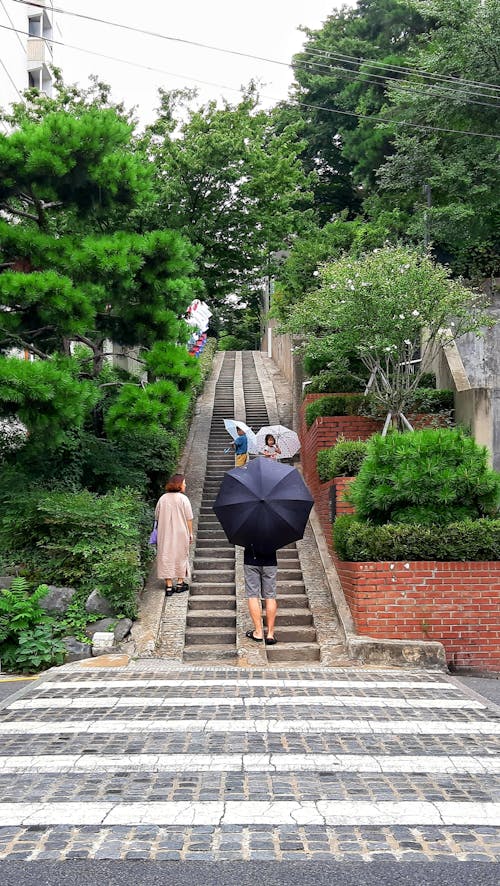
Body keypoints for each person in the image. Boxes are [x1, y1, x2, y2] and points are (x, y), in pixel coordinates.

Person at [155, 473, 193, 597]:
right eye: (184, 483)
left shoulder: (163, 498)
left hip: (164, 532)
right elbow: (189, 518)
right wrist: (190, 533)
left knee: (166, 555)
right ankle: (180, 584)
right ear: (179, 485)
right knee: (181, 555)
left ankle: (169, 585)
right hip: (181, 532)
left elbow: (157, 516)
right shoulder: (183, 499)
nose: (185, 485)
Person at [244, 544, 278, 645]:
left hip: (251, 560)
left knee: (252, 596)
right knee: (270, 597)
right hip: (270, 561)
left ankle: (258, 632)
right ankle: (270, 634)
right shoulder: (274, 528)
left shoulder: (247, 528)